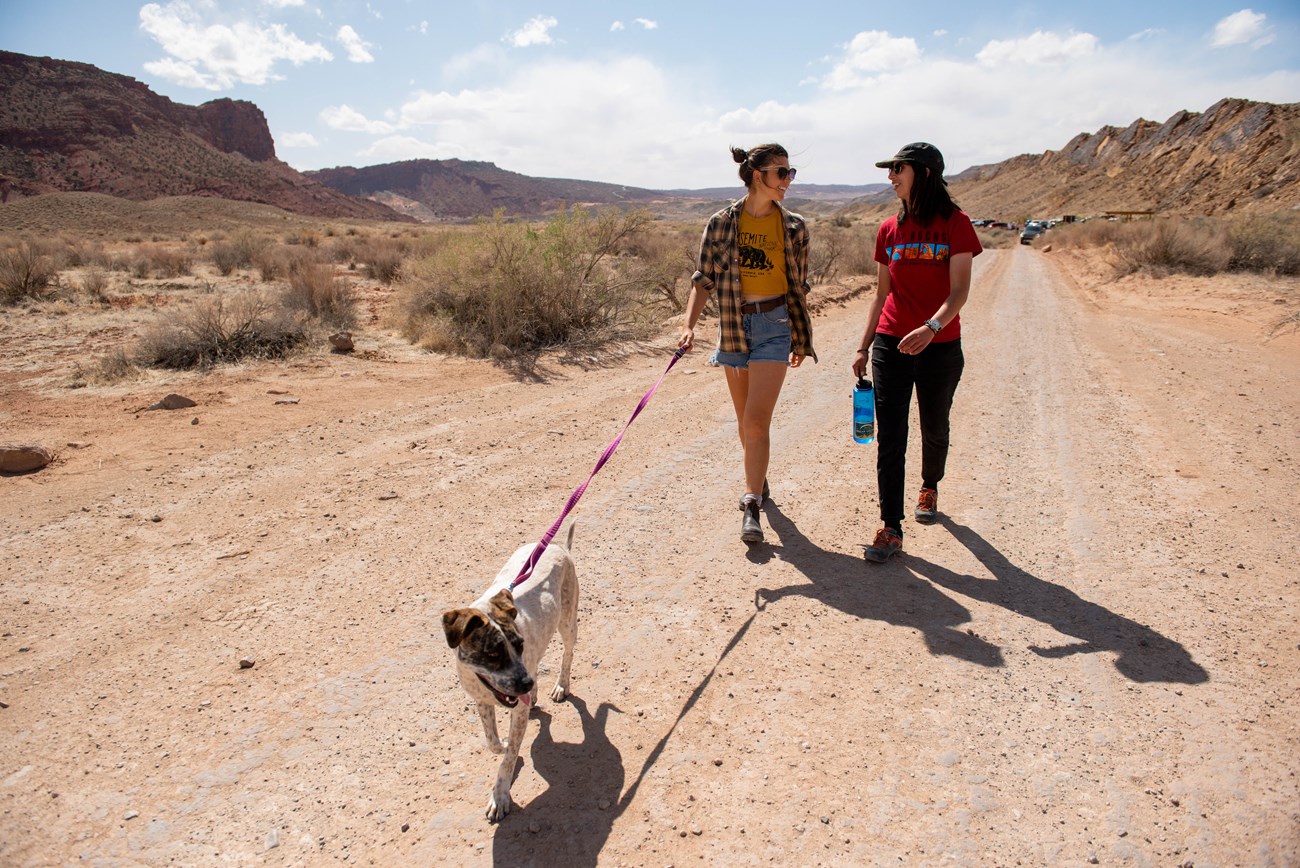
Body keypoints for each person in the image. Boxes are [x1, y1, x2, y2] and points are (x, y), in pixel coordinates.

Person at [679, 143, 817, 544]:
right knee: (745, 425)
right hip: (734, 326)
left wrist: (799, 334)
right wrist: (688, 325)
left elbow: (799, 286)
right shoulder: (722, 223)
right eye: (782, 173)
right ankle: (759, 476)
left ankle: (751, 503)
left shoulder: (795, 227)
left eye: (791, 173)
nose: (788, 181)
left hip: (775, 324)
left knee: (757, 421)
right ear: (759, 176)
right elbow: (703, 278)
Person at [852, 142, 982, 562]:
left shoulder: (956, 224)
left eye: (898, 169)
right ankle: (891, 526)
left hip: (940, 345)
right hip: (891, 343)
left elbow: (960, 290)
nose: (890, 176)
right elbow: (880, 294)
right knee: (890, 433)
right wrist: (864, 345)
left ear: (923, 173)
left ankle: (930, 484)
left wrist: (931, 327)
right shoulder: (889, 229)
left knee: (934, 425)